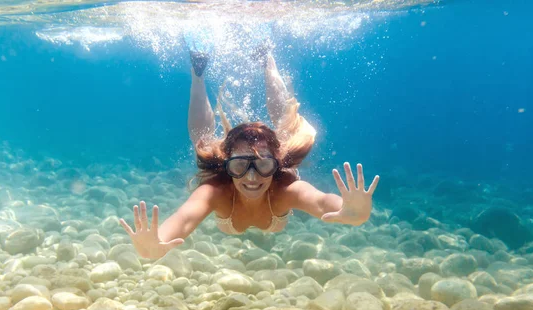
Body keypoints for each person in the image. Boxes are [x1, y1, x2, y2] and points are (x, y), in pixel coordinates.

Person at [120, 46, 379, 259]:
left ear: (276, 165)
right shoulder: (216, 193)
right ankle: (198, 73)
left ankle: (267, 59)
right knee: (203, 143)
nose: (252, 177)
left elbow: (325, 204)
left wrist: (354, 211)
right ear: (227, 165)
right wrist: (153, 246)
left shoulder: (285, 190)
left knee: (287, 127)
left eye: (264, 165)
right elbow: (183, 221)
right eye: (240, 166)